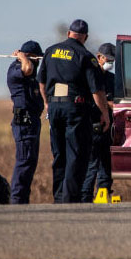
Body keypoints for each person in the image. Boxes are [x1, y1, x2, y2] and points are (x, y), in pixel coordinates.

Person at [37, 19, 110, 204]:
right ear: (85, 37)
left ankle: (59, 197)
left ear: (69, 33)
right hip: (75, 109)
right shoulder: (85, 56)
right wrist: (104, 114)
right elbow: (97, 91)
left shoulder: (50, 51)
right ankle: (69, 199)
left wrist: (47, 102)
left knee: (59, 154)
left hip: (54, 107)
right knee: (75, 154)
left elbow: (42, 81)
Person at [6, 40, 44, 204]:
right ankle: (17, 199)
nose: (38, 63)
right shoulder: (17, 69)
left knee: (31, 161)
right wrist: (22, 57)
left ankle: (23, 199)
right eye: (37, 59)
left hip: (33, 121)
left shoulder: (32, 75)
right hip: (24, 122)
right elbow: (27, 68)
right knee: (24, 160)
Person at [81, 42, 116, 202]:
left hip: (109, 126)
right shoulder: (90, 76)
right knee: (92, 162)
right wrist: (108, 104)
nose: (110, 63)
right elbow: (94, 98)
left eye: (112, 61)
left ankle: (103, 191)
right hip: (93, 124)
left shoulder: (112, 79)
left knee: (106, 161)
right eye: (107, 59)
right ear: (99, 57)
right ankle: (85, 194)